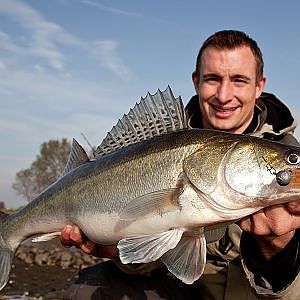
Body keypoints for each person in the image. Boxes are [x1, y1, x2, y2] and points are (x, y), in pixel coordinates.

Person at [61, 30, 300, 299]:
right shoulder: (158, 141)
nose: (224, 95)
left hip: (257, 293)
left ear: (259, 85)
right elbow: (153, 260)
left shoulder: (288, 161)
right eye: (213, 79)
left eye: (239, 80)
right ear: (196, 81)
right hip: (181, 288)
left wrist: (279, 251)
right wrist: (121, 247)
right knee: (90, 287)